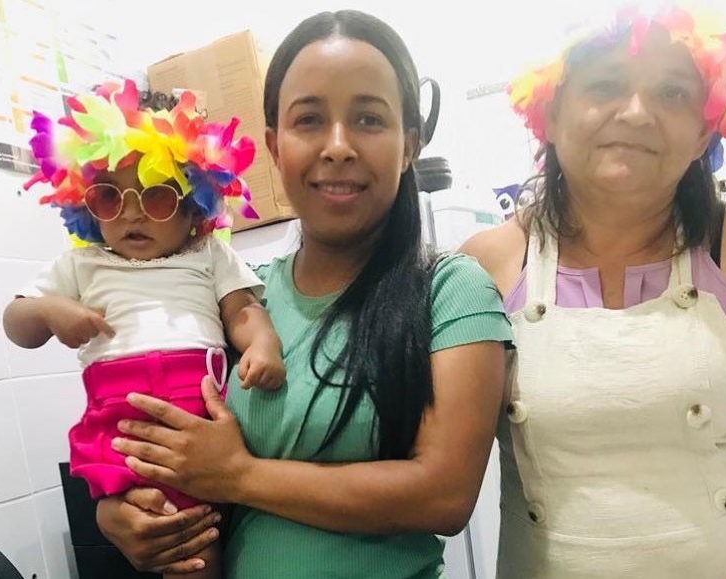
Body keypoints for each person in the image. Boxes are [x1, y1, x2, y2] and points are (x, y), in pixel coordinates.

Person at [95, 10, 514, 578]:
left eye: (369, 118)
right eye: (309, 120)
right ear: (274, 146)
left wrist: (239, 475)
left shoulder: (450, 291)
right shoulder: (240, 301)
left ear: (409, 145)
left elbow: (443, 495)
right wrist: (118, 514)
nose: (337, 146)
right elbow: (158, 439)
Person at [460, 5, 726, 577]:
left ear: (703, 130)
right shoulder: (487, 264)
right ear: (550, 114)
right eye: (606, 85)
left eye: (672, 93)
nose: (636, 112)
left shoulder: (725, 247)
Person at [2, 81, 286, 579]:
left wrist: (263, 345)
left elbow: (242, 309)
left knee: (195, 539)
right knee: (169, 532)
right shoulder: (82, 265)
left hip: (196, 416)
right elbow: (15, 322)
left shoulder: (208, 254)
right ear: (85, 204)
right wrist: (49, 310)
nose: (131, 212)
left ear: (194, 204)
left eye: (156, 196)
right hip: (118, 425)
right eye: (108, 196)